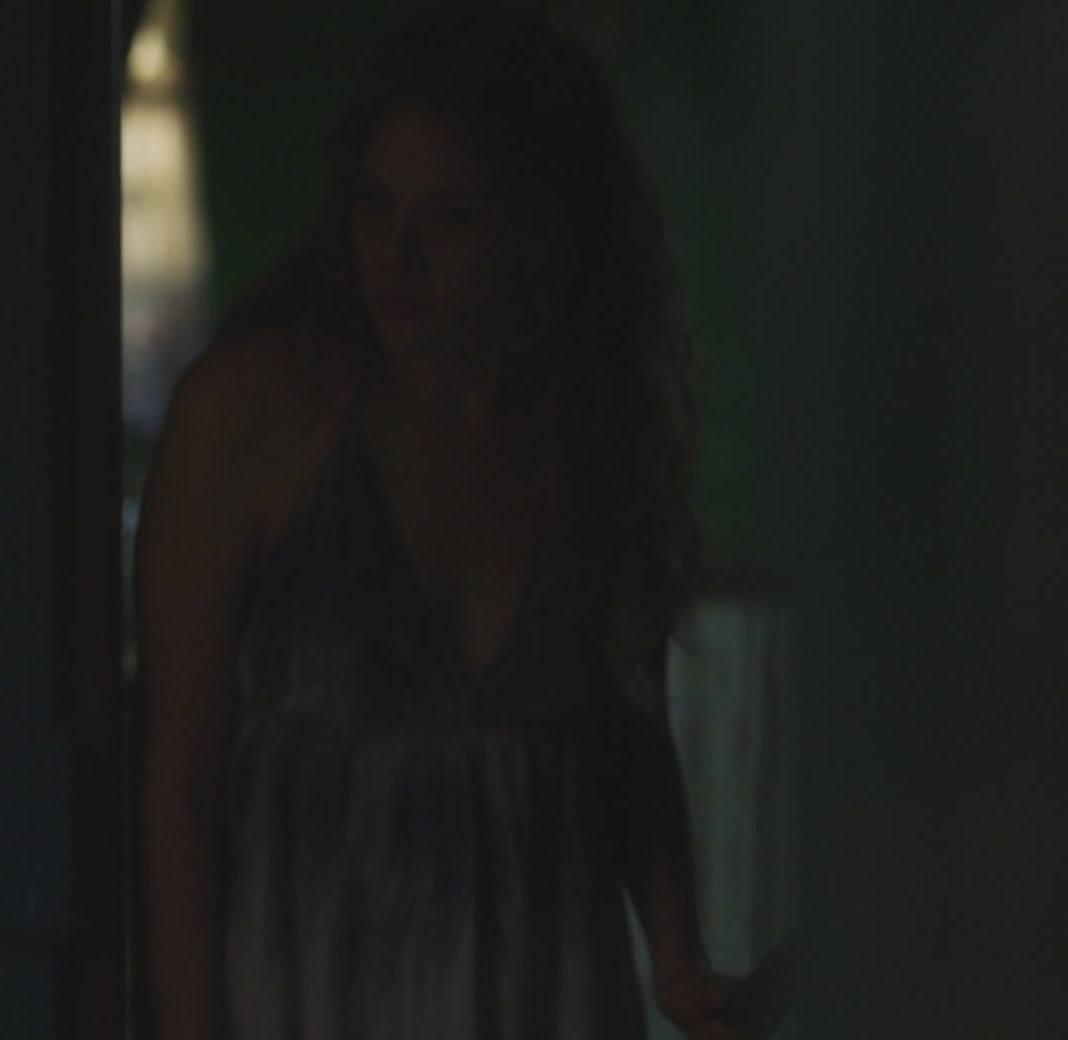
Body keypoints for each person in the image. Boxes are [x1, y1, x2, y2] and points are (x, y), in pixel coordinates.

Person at [135, 6, 744, 1038]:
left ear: (542, 231)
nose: (397, 255)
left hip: (548, 989)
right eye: (374, 204)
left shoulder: (590, 431)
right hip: (317, 987)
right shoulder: (257, 415)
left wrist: (678, 955)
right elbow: (179, 780)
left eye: (450, 218)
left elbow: (626, 723)